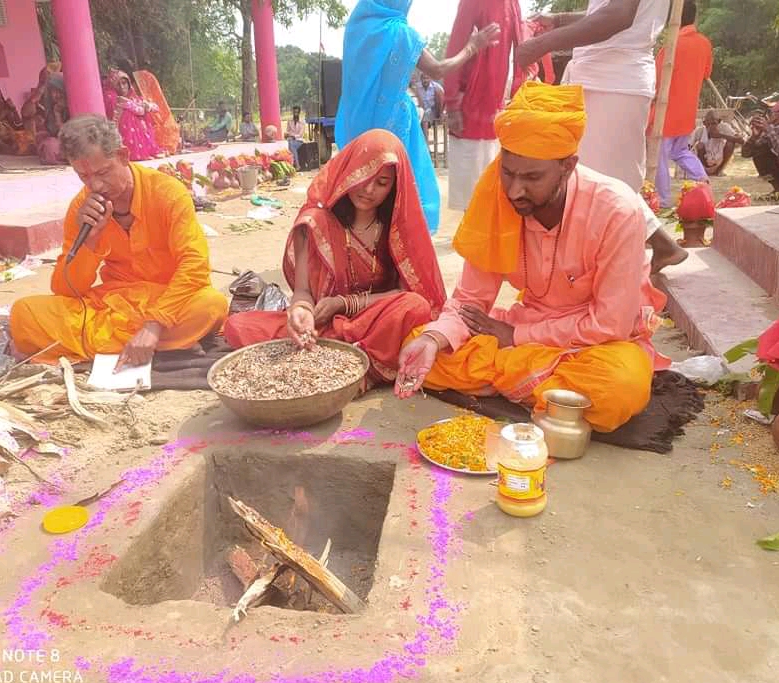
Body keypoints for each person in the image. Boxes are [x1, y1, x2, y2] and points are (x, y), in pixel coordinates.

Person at [395, 83, 668, 433]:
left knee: (616, 389)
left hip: (601, 344)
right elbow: (470, 300)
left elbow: (609, 325)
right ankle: (550, 395)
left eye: (532, 177)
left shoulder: (617, 211)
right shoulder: (497, 197)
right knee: (421, 349)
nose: (515, 191)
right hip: (526, 330)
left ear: (568, 166)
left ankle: (516, 382)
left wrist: (518, 336)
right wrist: (434, 338)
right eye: (508, 172)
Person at [223, 129, 447, 390]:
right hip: (323, 325)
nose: (369, 189)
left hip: (375, 322)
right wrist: (301, 312)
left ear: (394, 186)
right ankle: (343, 357)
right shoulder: (314, 223)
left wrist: (344, 303)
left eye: (382, 183)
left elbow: (406, 292)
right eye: (363, 177)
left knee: (415, 306)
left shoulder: (397, 229)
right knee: (238, 325)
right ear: (349, 171)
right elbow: (303, 292)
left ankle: (358, 366)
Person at [10, 115, 228, 367]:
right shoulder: (82, 208)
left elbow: (194, 265)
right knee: (23, 313)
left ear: (123, 156)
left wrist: (154, 324)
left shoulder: (168, 193)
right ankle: (162, 345)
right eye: (84, 176)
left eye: (103, 172)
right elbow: (66, 289)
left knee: (211, 305)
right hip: (113, 304)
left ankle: (127, 344)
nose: (96, 185)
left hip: (169, 301)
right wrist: (90, 242)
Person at [514, 0, 686, 271]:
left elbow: (617, 16)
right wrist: (558, 20)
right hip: (604, 79)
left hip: (615, 83)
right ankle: (658, 248)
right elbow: (604, 11)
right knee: (590, 179)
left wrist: (542, 44)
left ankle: (639, 259)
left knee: (608, 186)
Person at [336, 0, 501, 235]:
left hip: (355, 124)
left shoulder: (357, 26)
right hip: (393, 127)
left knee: (361, 188)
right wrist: (472, 47)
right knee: (394, 190)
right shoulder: (400, 33)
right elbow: (438, 69)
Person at [444, 0, 523, 212]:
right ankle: (472, 233)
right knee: (472, 197)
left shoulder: (513, 4)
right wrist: (452, 104)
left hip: (498, 111)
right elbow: (456, 46)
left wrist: (518, 96)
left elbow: (521, 50)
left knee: (496, 190)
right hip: (469, 112)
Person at [651, 1, 712, 208]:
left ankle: (662, 200)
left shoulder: (671, 46)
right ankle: (702, 181)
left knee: (659, 156)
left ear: (672, 19)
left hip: (666, 111)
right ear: (694, 17)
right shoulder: (704, 43)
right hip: (688, 110)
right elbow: (706, 73)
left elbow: (656, 81)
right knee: (680, 151)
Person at [104, 70, 161, 161]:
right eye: (118, 84)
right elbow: (139, 110)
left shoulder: (133, 97)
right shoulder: (116, 99)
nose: (122, 87)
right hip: (121, 133)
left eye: (124, 83)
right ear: (113, 86)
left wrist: (148, 106)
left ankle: (145, 149)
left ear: (129, 84)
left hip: (136, 131)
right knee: (129, 115)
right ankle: (134, 152)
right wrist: (145, 107)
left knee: (140, 116)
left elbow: (156, 107)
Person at [21, 67, 68, 165]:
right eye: (52, 91)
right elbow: (26, 113)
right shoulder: (49, 102)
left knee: (50, 146)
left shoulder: (74, 102)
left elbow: (69, 134)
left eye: (59, 90)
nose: (56, 95)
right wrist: (41, 86)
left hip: (72, 141)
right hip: (58, 138)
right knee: (41, 137)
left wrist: (58, 115)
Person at [133, 66, 182, 156]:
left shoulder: (150, 98)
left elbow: (157, 109)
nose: (135, 86)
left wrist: (148, 107)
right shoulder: (132, 97)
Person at [692, 111, 744, 176]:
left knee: (730, 143)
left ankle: (719, 170)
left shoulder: (724, 127)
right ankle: (704, 170)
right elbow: (689, 146)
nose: (711, 126)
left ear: (719, 121)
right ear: (704, 123)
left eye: (714, 123)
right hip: (705, 160)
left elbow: (741, 141)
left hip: (720, 158)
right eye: (708, 124)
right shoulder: (699, 130)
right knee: (699, 145)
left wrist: (720, 135)